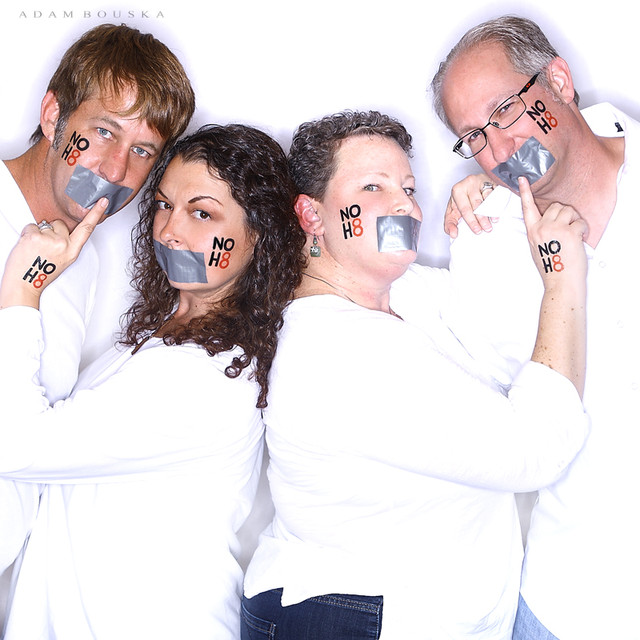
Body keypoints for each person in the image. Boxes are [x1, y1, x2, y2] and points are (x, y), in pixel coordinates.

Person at [241, 110, 590, 639]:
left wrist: (489, 209)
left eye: (408, 187)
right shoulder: (340, 350)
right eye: (373, 186)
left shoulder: (403, 293)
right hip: (357, 619)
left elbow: (504, 344)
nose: (405, 204)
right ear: (312, 214)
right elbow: (536, 450)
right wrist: (564, 279)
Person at [0, 123, 306, 638]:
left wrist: (23, 286)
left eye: (202, 213)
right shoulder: (158, 338)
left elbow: (15, 446)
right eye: (164, 205)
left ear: (259, 235)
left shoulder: (205, 377)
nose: (170, 231)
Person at [430, 15, 640, 639]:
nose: (497, 150)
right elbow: (505, 431)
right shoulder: (482, 243)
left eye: (504, 112)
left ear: (559, 81)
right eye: (473, 136)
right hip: (571, 601)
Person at [0, 23, 195, 579]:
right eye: (103, 131)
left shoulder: (82, 260)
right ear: (52, 115)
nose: (114, 171)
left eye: (141, 150)